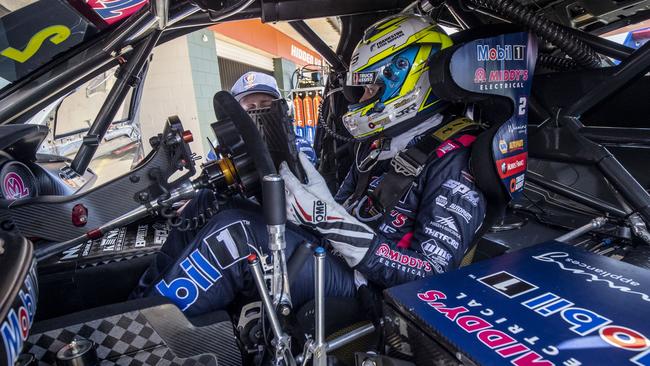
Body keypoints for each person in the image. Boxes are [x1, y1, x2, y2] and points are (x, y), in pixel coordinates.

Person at [133, 14, 486, 317]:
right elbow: (344, 209)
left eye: (368, 90)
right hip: (332, 254)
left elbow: (432, 272)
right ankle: (138, 310)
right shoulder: (378, 145)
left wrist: (326, 219)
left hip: (370, 286)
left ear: (405, 76)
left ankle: (150, 339)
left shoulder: (457, 156)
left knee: (237, 234)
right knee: (212, 201)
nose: (359, 100)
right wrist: (312, 205)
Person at [206, 71, 317, 164]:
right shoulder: (221, 149)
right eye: (250, 108)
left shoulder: (300, 145)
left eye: (266, 106)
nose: (257, 113)